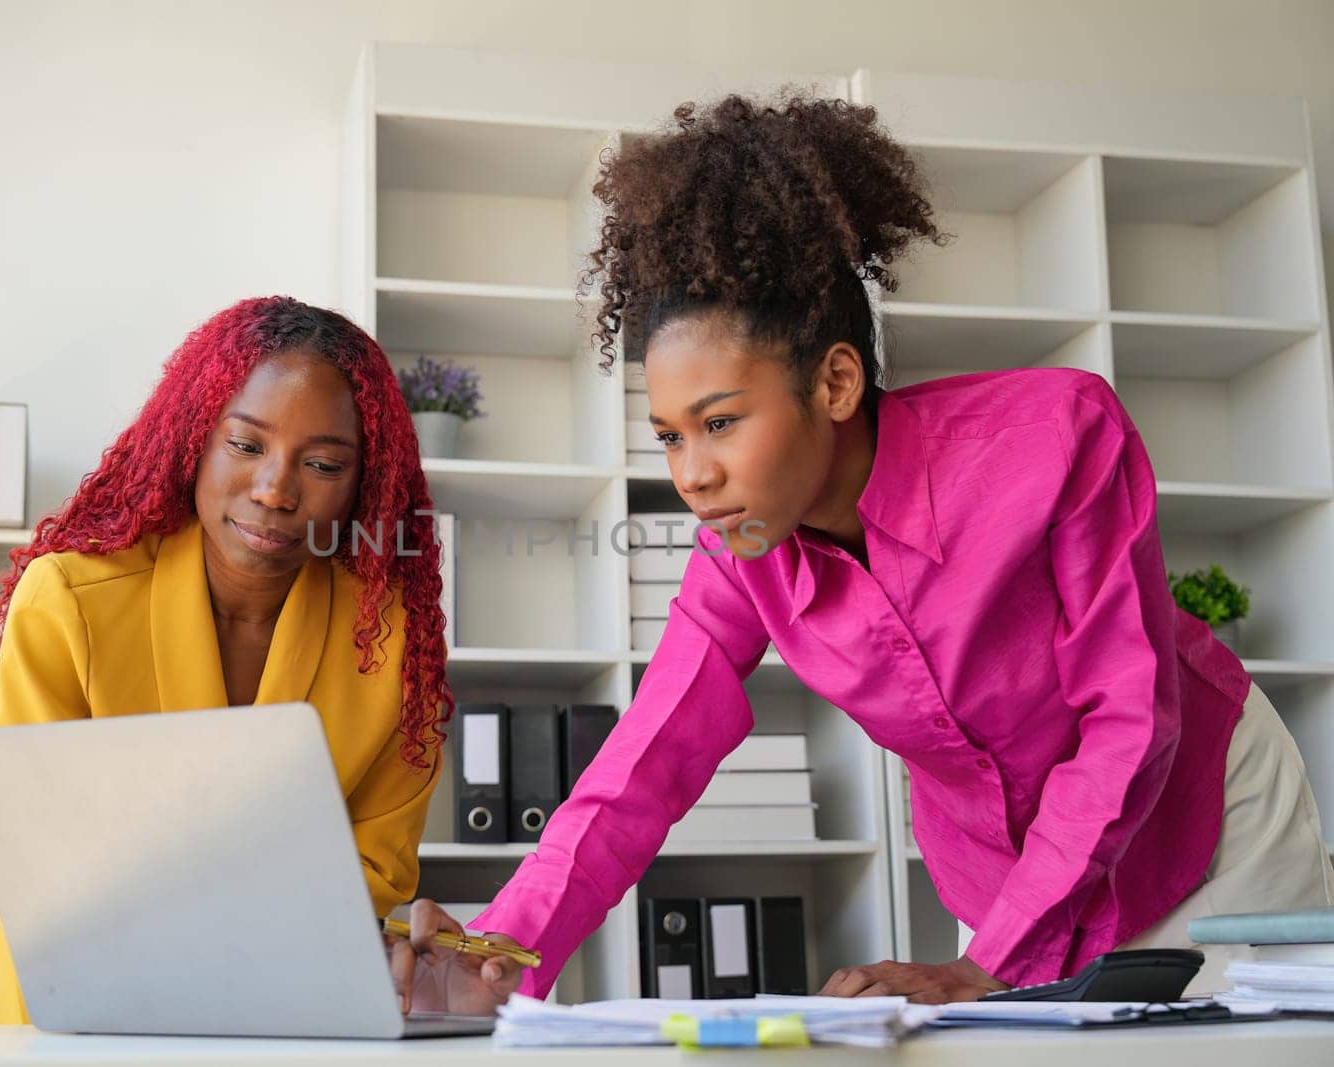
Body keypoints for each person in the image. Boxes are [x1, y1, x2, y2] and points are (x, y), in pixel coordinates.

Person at [391, 92, 1334, 1009]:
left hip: (1205, 819)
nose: (691, 473)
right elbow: (642, 764)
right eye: (672, 434)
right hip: (1010, 884)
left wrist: (991, 963)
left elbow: (1129, 720)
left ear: (836, 381)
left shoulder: (1057, 438)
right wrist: (499, 949)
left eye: (720, 421)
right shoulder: (742, 554)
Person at [0, 296, 452, 1024]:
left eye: (321, 463)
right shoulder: (68, 597)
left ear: (361, 484)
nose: (275, 490)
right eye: (246, 446)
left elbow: (375, 869)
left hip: (269, 1006)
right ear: (194, 439)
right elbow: (36, 849)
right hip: (57, 1008)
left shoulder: (390, 644)